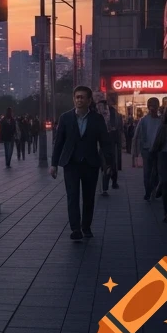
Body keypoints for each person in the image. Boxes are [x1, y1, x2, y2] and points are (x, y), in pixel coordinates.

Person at [50, 86, 114, 241]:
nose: (79, 100)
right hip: (71, 163)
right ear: (74, 99)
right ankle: (75, 229)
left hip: (90, 164)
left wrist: (109, 163)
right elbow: (58, 142)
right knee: (72, 196)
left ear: (89, 100)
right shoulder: (65, 118)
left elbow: (105, 142)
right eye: (77, 97)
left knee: (88, 197)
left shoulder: (97, 119)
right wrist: (54, 164)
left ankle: (86, 227)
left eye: (82, 97)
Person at [134, 98, 163, 201]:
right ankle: (148, 191)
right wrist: (136, 153)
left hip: (158, 149)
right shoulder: (143, 120)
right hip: (146, 149)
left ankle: (154, 188)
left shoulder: (161, 121)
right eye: (151, 104)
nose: (153, 106)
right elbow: (136, 136)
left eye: (155, 104)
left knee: (157, 171)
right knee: (147, 172)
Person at [98, 97, 122, 196]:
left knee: (109, 165)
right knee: (108, 165)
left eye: (100, 106)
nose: (99, 108)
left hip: (109, 143)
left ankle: (106, 187)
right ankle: (106, 186)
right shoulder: (96, 115)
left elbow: (116, 128)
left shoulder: (112, 113)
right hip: (101, 144)